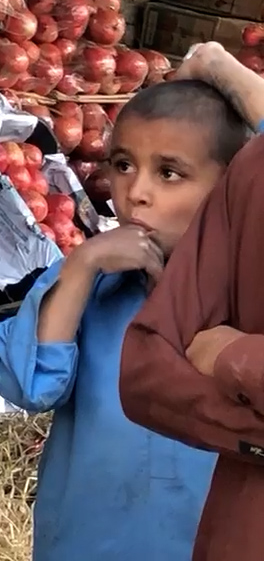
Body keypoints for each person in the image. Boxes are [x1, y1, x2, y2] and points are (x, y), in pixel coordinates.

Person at [0, 72, 258, 560]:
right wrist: (81, 266)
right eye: (122, 165)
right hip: (83, 544)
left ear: (229, 187)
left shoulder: (243, 304)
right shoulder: (88, 284)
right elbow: (31, 387)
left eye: (169, 173)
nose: (136, 191)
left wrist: (229, 74)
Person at [119, 43, 264, 561]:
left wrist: (233, 357)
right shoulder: (254, 172)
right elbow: (145, 375)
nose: (137, 192)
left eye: (169, 172)